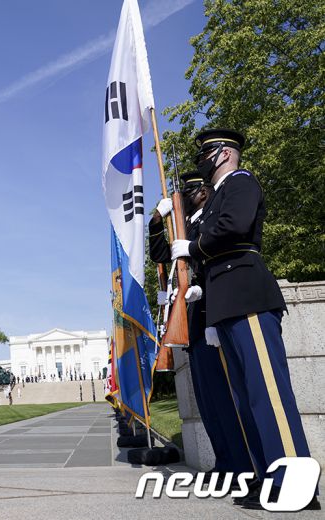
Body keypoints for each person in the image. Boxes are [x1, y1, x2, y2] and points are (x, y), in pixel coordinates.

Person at [171, 129, 318, 511]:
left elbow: (233, 227)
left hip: (245, 293)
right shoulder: (218, 195)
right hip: (225, 300)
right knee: (246, 399)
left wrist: (193, 246)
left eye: (205, 155)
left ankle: (295, 483)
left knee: (267, 393)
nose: (200, 162)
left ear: (222, 154)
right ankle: (268, 477)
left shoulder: (241, 181)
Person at [150, 171, 254, 481]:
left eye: (190, 190)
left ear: (205, 192)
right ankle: (224, 462)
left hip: (212, 314)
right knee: (208, 401)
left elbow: (215, 265)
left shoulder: (210, 221)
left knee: (224, 399)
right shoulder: (188, 226)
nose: (185, 195)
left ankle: (242, 466)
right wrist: (157, 221)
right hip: (194, 321)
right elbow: (159, 254)